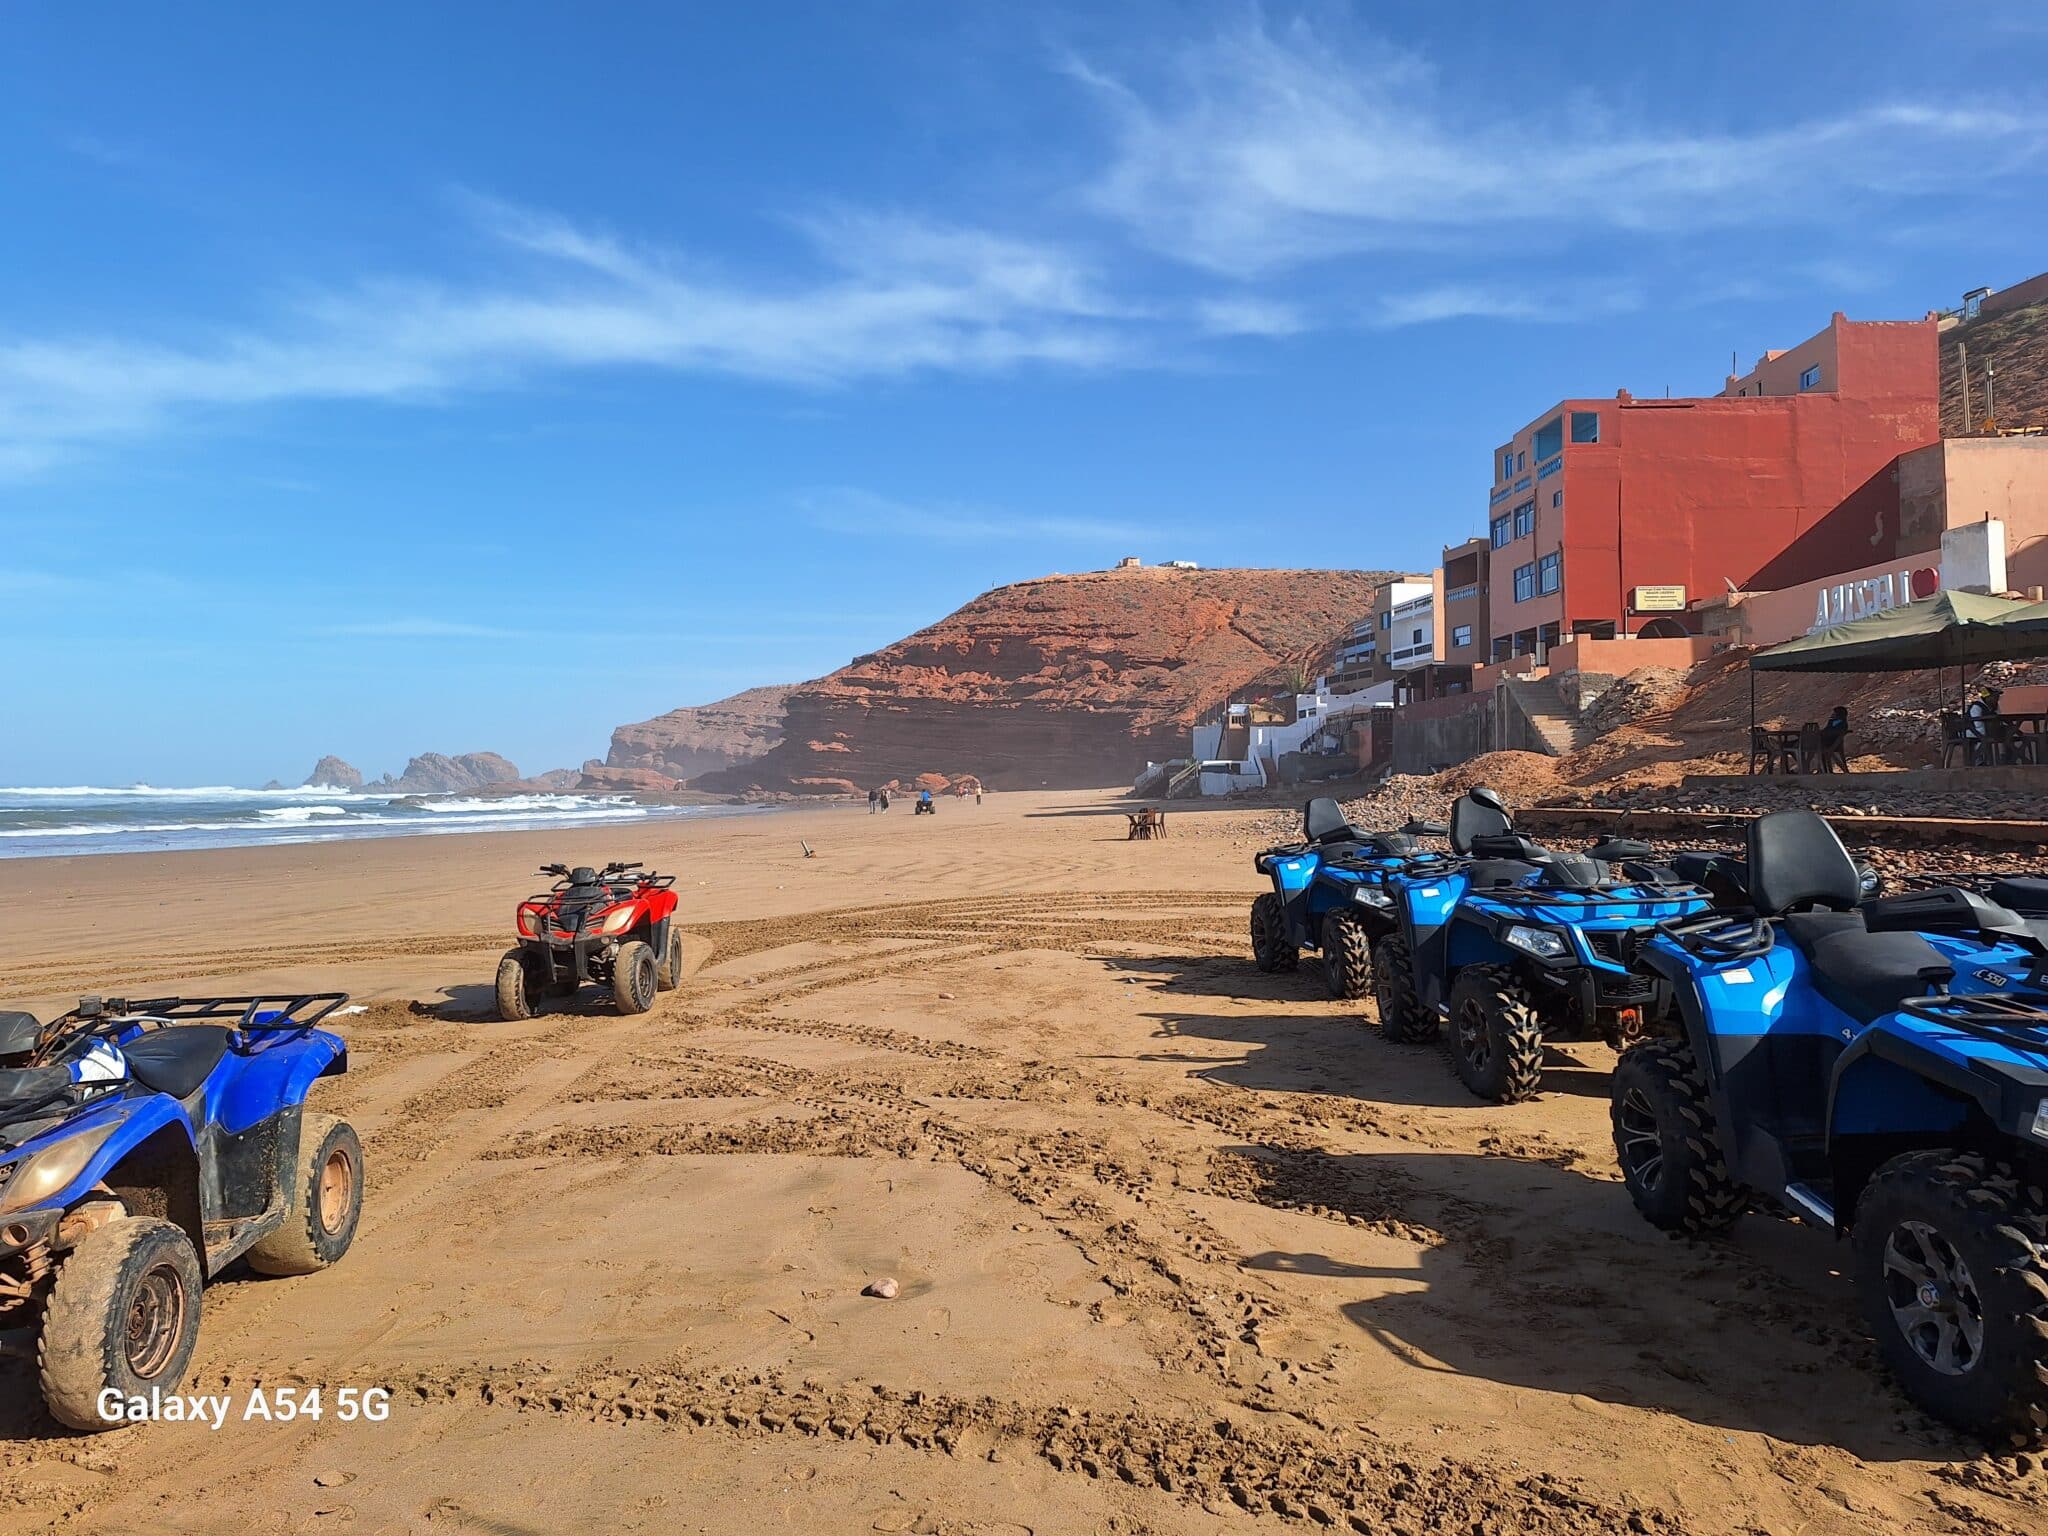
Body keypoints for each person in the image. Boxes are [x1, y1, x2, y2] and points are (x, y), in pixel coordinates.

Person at [1966, 685, 2003, 766]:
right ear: (1987, 697)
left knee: (2005, 733)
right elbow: (1977, 724)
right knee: (1983, 733)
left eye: (1997, 697)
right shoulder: (1977, 706)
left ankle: (2005, 757)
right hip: (1971, 730)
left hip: (1985, 730)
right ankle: (1978, 761)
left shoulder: (1994, 706)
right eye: (1994, 697)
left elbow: (1999, 717)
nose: (1996, 699)